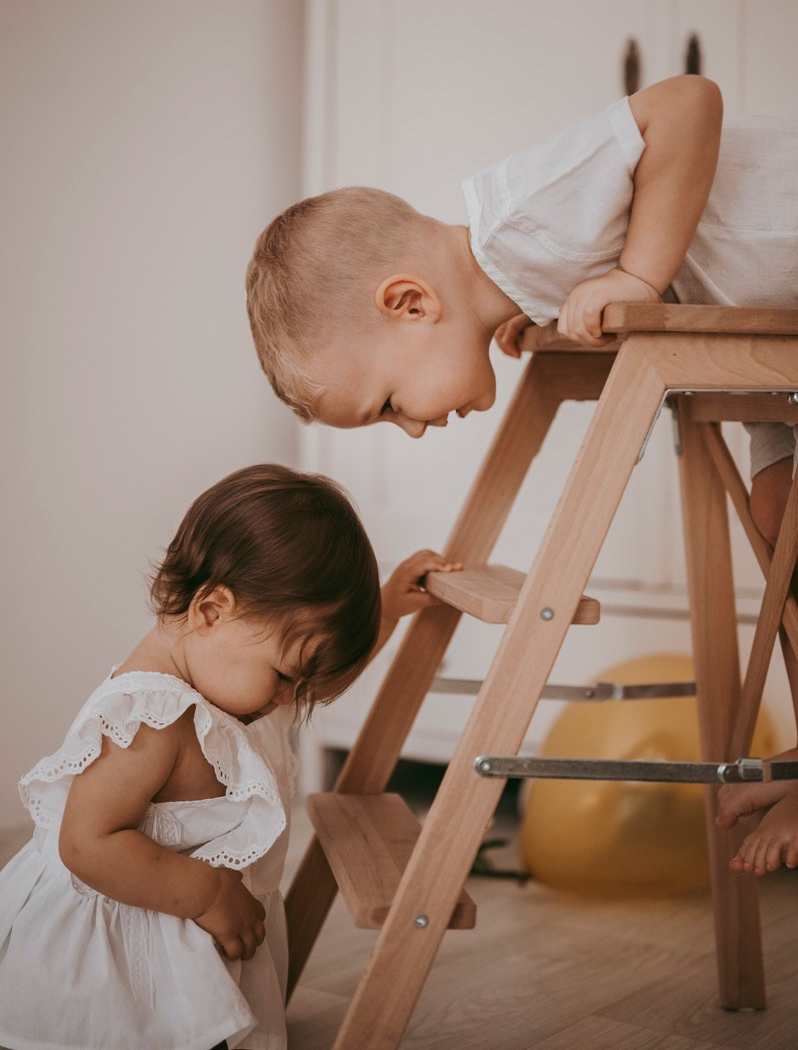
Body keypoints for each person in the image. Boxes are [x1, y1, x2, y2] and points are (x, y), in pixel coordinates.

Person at [246, 74, 798, 869]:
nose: (412, 427)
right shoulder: (530, 272)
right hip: (766, 351)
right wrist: (541, 306)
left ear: (410, 303)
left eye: (390, 404)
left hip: (773, 284)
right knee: (778, 517)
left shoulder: (519, 215)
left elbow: (688, 103)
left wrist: (637, 278)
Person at [0, 463, 459, 1050]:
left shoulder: (237, 683)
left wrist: (387, 612)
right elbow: (87, 844)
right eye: (288, 677)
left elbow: (304, 672)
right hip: (109, 968)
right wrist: (210, 894)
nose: (289, 700)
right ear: (212, 610)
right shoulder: (150, 715)